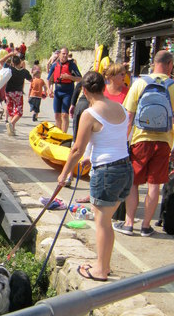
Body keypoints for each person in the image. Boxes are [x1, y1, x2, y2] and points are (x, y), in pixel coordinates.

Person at [58, 71, 133, 281]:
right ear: (103, 87)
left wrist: (64, 174)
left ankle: (100, 269)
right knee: (106, 222)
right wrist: (93, 156)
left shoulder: (89, 114)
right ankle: (104, 264)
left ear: (84, 90)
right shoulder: (119, 107)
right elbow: (114, 136)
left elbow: (77, 149)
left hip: (107, 172)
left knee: (102, 222)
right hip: (125, 168)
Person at [113, 50, 174, 237]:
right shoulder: (173, 86)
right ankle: (146, 226)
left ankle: (130, 223)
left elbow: (128, 115)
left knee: (134, 183)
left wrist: (122, 141)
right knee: (154, 185)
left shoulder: (139, 83)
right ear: (170, 64)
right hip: (164, 142)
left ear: (153, 63)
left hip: (140, 140)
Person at [47, 47, 82, 133]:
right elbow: (48, 79)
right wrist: (49, 89)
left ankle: (64, 134)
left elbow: (80, 79)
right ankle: (59, 133)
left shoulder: (72, 65)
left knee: (64, 115)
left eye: (66, 54)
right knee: (56, 115)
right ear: (59, 54)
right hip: (57, 91)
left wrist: (69, 77)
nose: (65, 55)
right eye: (63, 54)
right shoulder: (55, 65)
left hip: (68, 92)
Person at [3, 55, 32, 135]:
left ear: (12, 63)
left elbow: (1, 62)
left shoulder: (10, 69)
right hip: (17, 93)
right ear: (20, 62)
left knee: (11, 110)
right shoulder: (24, 71)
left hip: (8, 92)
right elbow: (31, 79)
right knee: (19, 112)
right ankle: (11, 124)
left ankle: (12, 130)